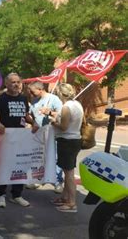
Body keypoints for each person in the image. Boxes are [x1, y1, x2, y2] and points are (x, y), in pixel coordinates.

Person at [0, 73, 35, 208]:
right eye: (13, 82)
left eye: (18, 82)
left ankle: (17, 195)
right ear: (7, 84)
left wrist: (34, 123)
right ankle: (1, 194)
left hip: (21, 138)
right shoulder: (0, 99)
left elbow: (25, 115)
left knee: (20, 165)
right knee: (5, 166)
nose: (16, 84)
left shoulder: (23, 98)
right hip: (6, 138)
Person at [48, 83, 83, 213]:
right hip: (75, 139)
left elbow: (63, 126)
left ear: (61, 94)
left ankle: (72, 203)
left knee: (69, 173)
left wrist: (52, 120)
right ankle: (64, 197)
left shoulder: (66, 107)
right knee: (67, 171)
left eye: (57, 93)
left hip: (67, 141)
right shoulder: (77, 104)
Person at [27, 81, 64, 192]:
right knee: (38, 157)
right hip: (39, 133)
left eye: (33, 92)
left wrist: (49, 112)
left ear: (40, 89)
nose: (31, 94)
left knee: (55, 157)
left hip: (52, 133)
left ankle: (58, 182)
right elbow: (31, 114)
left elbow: (62, 114)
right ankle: (38, 179)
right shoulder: (34, 100)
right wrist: (32, 122)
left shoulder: (54, 99)